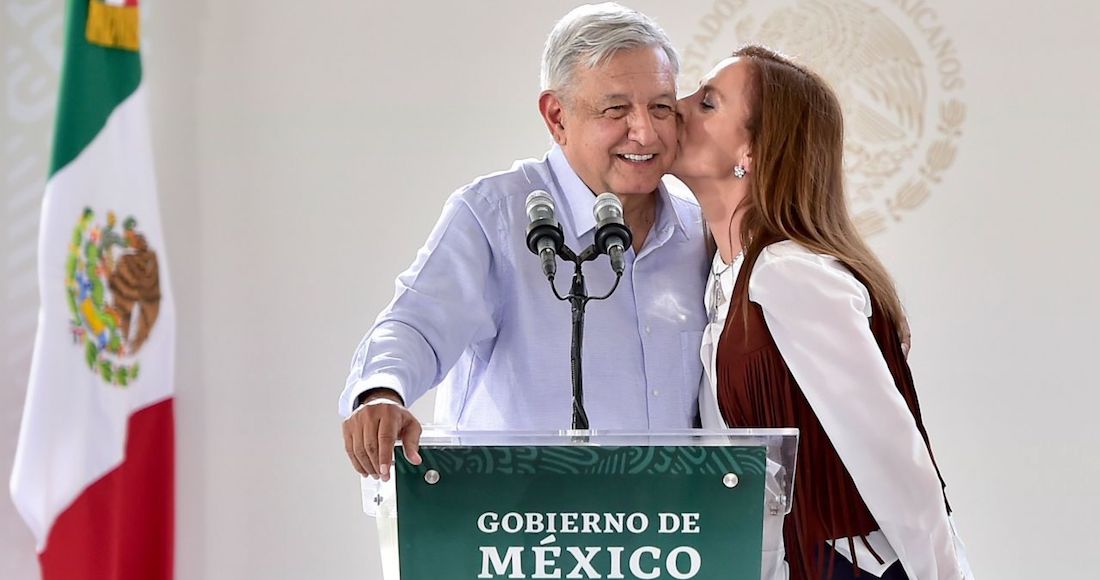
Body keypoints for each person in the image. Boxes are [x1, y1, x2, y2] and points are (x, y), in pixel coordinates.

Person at [339, 3, 709, 483]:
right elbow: (414, 325)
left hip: (668, 540)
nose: (645, 130)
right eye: (615, 109)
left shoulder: (698, 230)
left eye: (661, 106)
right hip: (517, 537)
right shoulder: (494, 214)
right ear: (557, 116)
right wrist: (380, 394)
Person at [672, 46, 973, 579]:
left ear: (753, 151)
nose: (679, 106)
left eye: (708, 102)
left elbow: (894, 458)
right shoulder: (722, 273)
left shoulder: (788, 274)